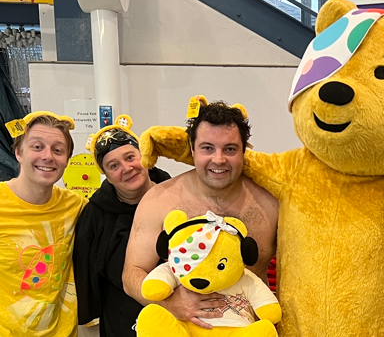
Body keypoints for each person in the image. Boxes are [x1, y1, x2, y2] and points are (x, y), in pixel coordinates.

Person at [123, 100, 279, 329]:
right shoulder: (160, 200)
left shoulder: (270, 204)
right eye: (208, 148)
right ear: (193, 149)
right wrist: (171, 303)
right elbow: (132, 275)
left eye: (230, 149)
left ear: (244, 150)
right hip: (182, 329)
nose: (219, 159)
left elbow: (294, 278)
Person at [73, 115, 171, 337]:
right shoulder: (96, 214)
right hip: (122, 318)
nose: (126, 168)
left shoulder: (174, 194)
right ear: (106, 175)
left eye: (130, 157)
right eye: (113, 165)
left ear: (144, 156)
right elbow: (87, 272)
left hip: (177, 315)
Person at [0, 112, 87, 336]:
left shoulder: (74, 205)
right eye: (37, 147)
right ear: (18, 152)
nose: (47, 157)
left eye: (58, 150)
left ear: (67, 159)